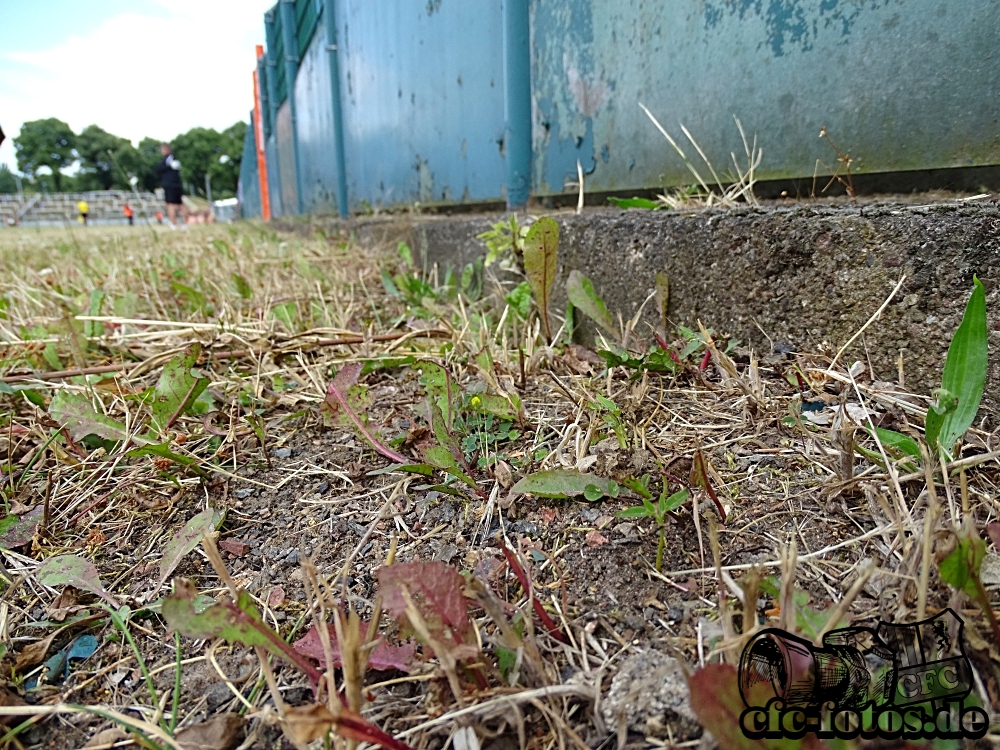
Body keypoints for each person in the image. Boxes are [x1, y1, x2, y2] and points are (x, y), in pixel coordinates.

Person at [154, 143, 188, 226]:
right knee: (179, 204)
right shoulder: (170, 160)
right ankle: (183, 223)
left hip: (170, 184)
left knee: (171, 204)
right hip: (175, 184)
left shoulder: (168, 161)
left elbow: (159, 169)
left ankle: (175, 223)